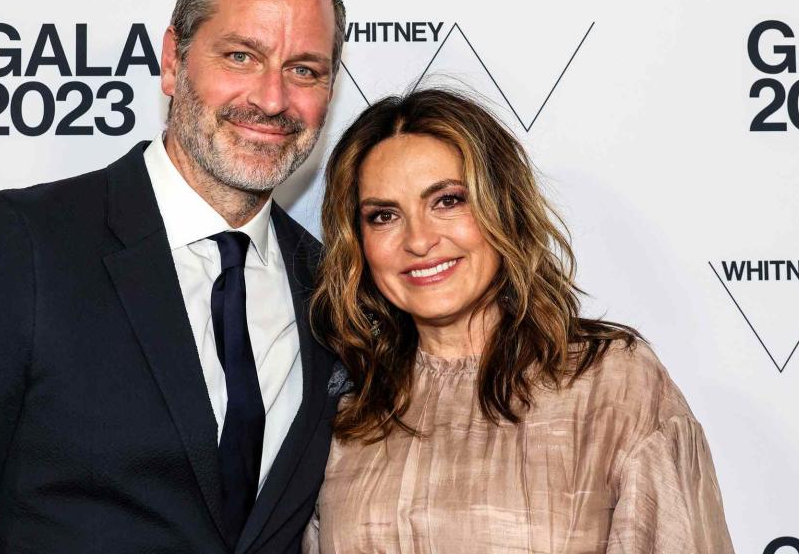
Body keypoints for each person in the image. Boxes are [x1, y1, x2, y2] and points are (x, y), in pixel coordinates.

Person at [0, 0, 345, 553]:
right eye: (241, 56)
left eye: (303, 70)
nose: (272, 99)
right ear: (173, 61)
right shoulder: (20, 248)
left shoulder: (330, 288)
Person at [304, 89, 734, 553]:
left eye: (448, 201)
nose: (419, 240)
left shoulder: (613, 385)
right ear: (358, 243)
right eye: (384, 215)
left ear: (503, 209)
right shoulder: (346, 407)